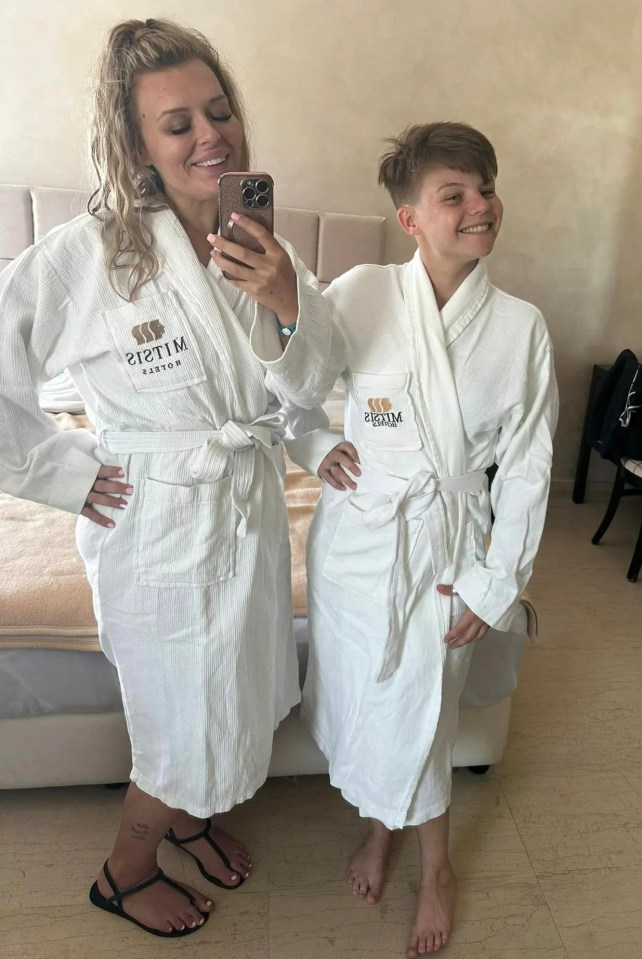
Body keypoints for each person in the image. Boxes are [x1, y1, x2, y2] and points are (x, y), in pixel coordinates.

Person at [0, 18, 343, 938]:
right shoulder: (93, 256)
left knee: (239, 689)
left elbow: (313, 385)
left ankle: (193, 814)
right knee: (180, 714)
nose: (209, 136)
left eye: (219, 112)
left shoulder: (259, 240)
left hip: (248, 504)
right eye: (178, 123)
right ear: (139, 145)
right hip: (156, 520)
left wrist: (285, 301)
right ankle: (125, 868)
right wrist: (62, 473)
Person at [286, 122, 558, 956]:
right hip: (358, 544)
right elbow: (293, 389)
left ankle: (434, 867)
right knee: (368, 699)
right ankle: (380, 827)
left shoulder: (521, 328)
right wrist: (311, 444)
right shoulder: (359, 291)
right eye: (455, 196)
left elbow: (526, 468)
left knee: (422, 707)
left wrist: (494, 582)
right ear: (411, 219)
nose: (481, 207)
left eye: (486, 188)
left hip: (447, 549)